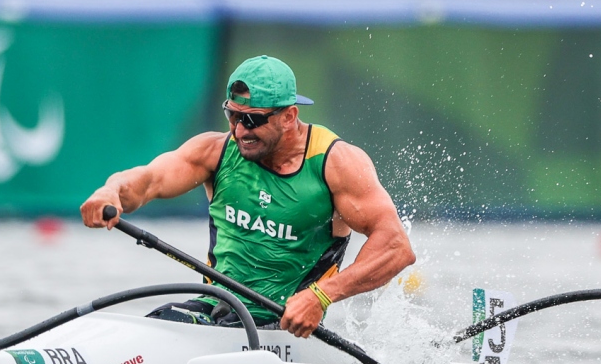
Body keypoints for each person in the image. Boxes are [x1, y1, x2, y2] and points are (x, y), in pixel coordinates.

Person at [80, 55, 415, 338]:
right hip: (214, 310)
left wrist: (321, 297)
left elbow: (396, 247)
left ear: (289, 116)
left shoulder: (336, 164)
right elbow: (148, 180)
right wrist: (110, 190)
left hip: (283, 328)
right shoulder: (215, 151)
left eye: (252, 119)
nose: (240, 130)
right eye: (233, 116)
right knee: (163, 320)